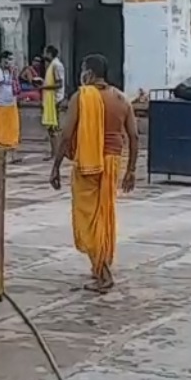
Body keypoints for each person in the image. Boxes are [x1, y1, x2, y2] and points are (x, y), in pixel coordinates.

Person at [48, 54, 140, 293]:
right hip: (113, 161)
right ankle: (100, 265)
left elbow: (66, 134)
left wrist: (56, 166)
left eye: (82, 71)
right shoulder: (121, 98)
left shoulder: (82, 97)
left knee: (87, 217)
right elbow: (134, 136)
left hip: (90, 162)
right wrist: (130, 170)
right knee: (103, 213)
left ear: (88, 73)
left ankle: (104, 274)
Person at [0, 51, 21, 150]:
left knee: (12, 128)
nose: (9, 62)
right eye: (8, 60)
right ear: (3, 59)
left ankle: (11, 146)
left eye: (11, 60)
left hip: (10, 103)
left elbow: (16, 85)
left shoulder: (13, 70)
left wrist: (15, 74)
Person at [41, 45, 67, 160]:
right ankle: (53, 153)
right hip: (50, 99)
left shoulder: (57, 65)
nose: (44, 56)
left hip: (55, 100)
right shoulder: (52, 65)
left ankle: (56, 153)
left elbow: (59, 84)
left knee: (54, 128)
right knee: (51, 128)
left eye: (45, 53)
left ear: (50, 54)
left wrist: (44, 86)